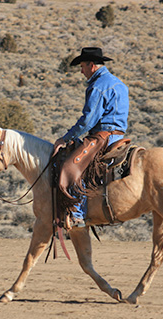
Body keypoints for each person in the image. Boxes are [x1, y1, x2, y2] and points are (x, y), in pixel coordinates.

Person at [53, 47, 129, 229]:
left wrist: (66, 138)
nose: (81, 71)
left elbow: (88, 120)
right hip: (118, 135)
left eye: (82, 66)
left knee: (70, 167)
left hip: (102, 136)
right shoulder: (119, 83)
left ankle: (77, 214)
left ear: (92, 65)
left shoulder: (98, 86)